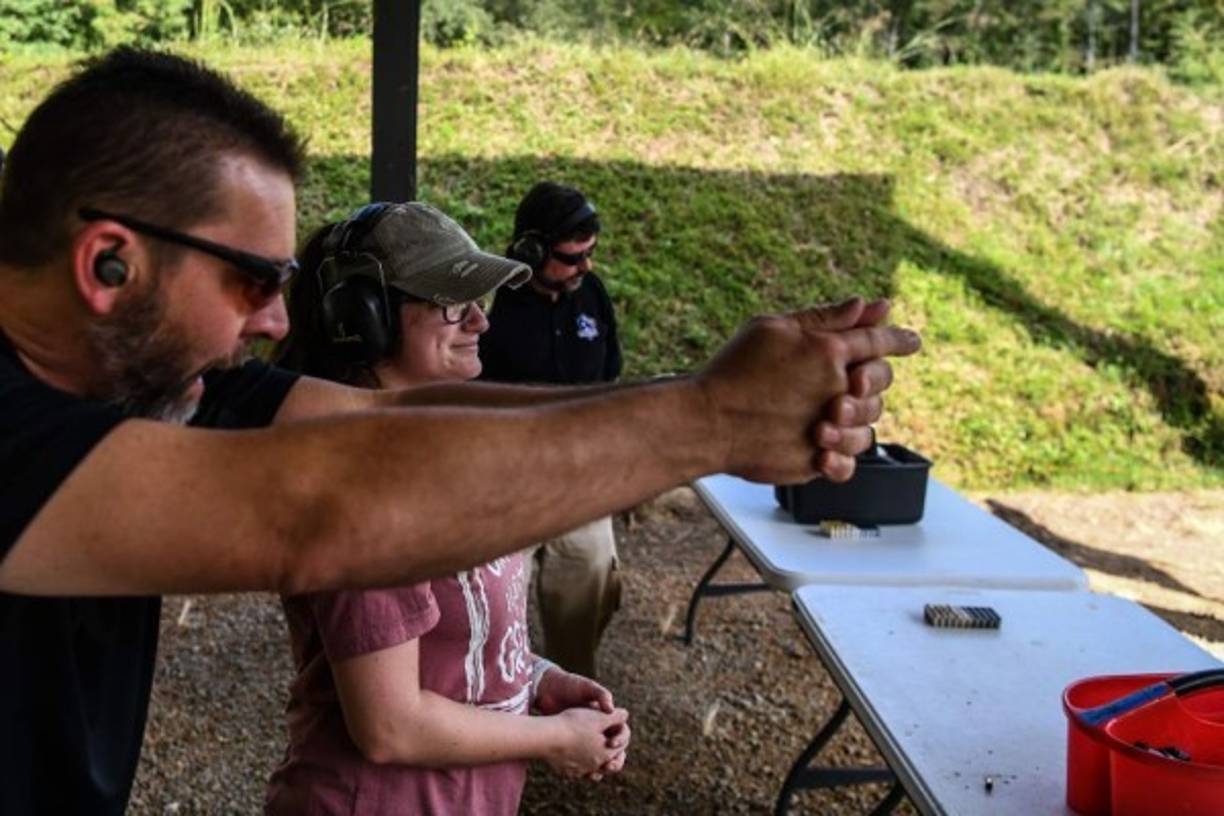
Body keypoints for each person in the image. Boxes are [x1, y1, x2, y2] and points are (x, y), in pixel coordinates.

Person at [0, 48, 919, 816]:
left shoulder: (153, 380)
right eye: (252, 282)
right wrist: (715, 421)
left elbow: (390, 420)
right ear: (108, 262)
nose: (276, 322)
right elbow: (317, 512)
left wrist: (713, 397)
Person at [265, 202, 629, 814]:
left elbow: (453, 644)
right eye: (453, 304)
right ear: (365, 321)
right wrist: (553, 739)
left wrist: (535, 679)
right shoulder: (366, 487)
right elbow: (389, 725)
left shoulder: (432, 458)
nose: (481, 323)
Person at [479, 182, 622, 677]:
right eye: (571, 257)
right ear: (531, 251)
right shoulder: (491, 310)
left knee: (592, 580)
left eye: (590, 254)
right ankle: (499, 692)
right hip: (510, 479)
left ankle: (572, 689)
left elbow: (611, 374)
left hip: (582, 475)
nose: (585, 267)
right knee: (491, 600)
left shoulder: (593, 296)